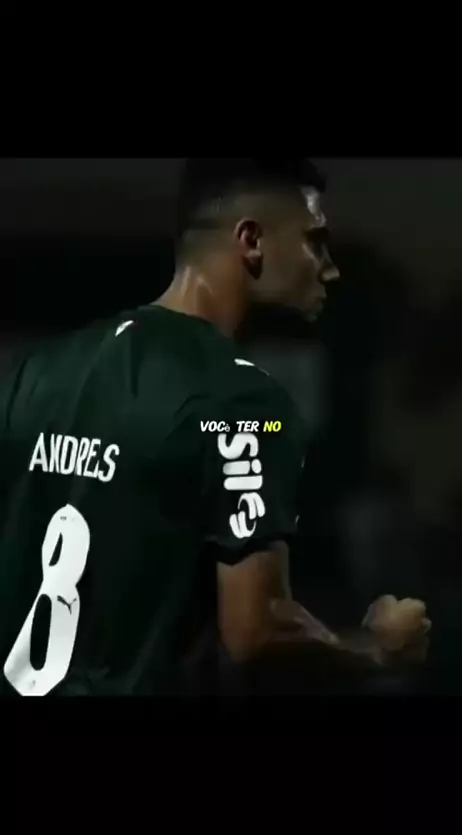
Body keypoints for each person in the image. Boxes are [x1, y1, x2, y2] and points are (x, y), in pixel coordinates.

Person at [0, 158, 430, 697]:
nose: (330, 269)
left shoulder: (37, 372)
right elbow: (256, 632)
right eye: (315, 242)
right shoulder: (242, 400)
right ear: (251, 241)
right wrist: (377, 647)